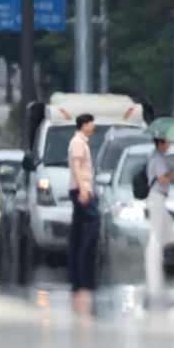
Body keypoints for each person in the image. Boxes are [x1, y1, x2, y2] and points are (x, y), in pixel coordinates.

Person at [67, 113, 100, 316]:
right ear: (84, 125)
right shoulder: (78, 143)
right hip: (81, 190)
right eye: (91, 124)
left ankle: (78, 276)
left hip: (81, 189)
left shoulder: (81, 142)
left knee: (77, 231)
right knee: (95, 221)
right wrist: (83, 189)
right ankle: (83, 262)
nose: (93, 127)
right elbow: (77, 167)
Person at [145, 137, 174, 308]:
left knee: (166, 227)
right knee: (156, 232)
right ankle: (153, 260)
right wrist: (173, 173)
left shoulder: (156, 157)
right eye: (167, 142)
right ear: (159, 144)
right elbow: (161, 179)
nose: (169, 145)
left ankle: (158, 258)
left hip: (158, 197)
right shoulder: (158, 159)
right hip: (157, 197)